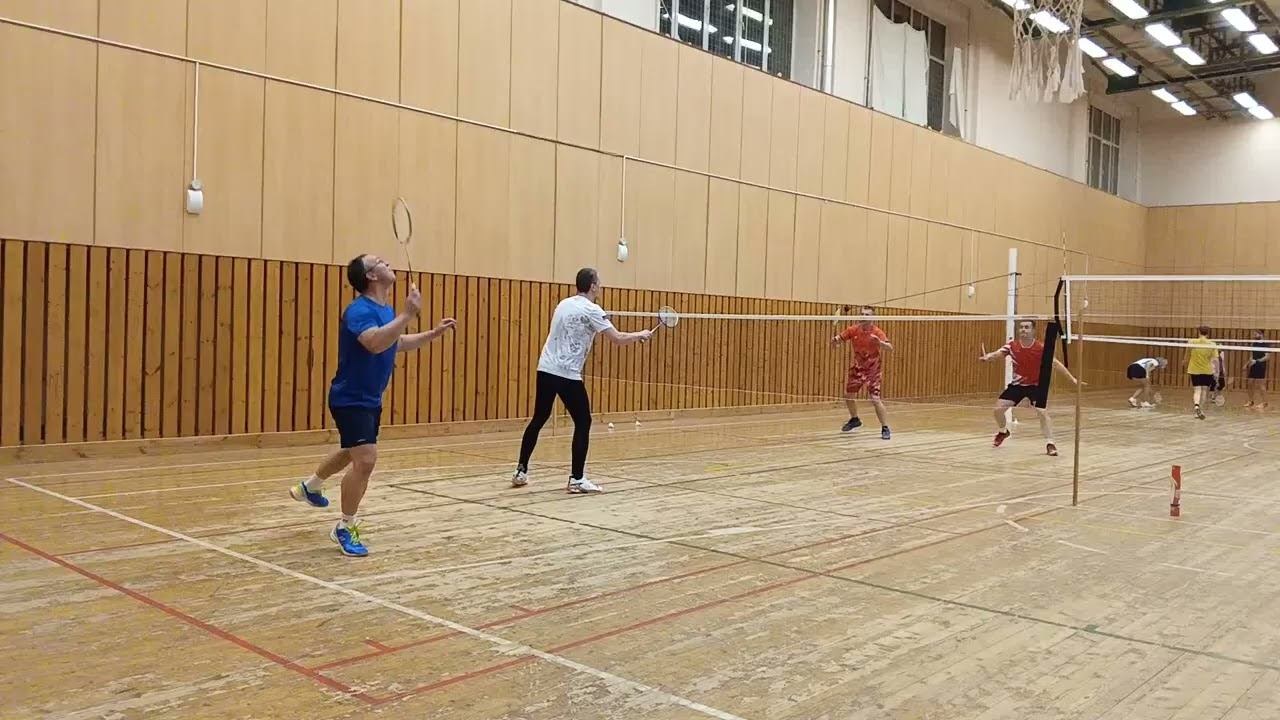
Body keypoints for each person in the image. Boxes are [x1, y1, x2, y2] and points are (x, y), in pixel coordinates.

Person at [289, 254, 455, 557]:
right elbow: (375, 342)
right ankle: (345, 526)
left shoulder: (384, 309)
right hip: (350, 398)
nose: (387, 262)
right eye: (379, 262)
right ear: (371, 276)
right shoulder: (359, 311)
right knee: (365, 459)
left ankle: (311, 486)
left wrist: (432, 333)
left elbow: (394, 343)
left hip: (370, 398)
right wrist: (407, 315)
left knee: (352, 450)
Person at [511, 268, 652, 493]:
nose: (600, 286)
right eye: (599, 283)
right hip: (567, 374)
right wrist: (640, 335)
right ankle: (577, 479)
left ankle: (521, 471)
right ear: (593, 286)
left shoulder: (563, 304)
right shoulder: (593, 309)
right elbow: (618, 338)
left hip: (545, 368)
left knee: (539, 418)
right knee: (583, 421)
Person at [979, 319, 1081, 456]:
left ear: (1033, 331)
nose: (1023, 330)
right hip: (1017, 385)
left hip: (1035, 386)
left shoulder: (1041, 348)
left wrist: (1072, 379)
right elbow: (997, 354)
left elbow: (1056, 364)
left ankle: (1050, 443)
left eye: (1027, 327)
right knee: (997, 410)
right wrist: (988, 357)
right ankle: (1003, 431)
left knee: (1042, 412)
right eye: (1021, 327)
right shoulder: (1012, 346)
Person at [830, 306, 894, 440]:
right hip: (858, 368)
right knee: (848, 395)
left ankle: (885, 427)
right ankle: (855, 419)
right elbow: (837, 344)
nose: (863, 316)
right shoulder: (853, 330)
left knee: (875, 399)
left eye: (867, 314)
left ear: (872, 318)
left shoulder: (877, 332)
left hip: (873, 369)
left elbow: (890, 348)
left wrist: (880, 343)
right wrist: (834, 342)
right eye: (862, 314)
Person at [1185, 325, 1219, 420]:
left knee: (1197, 390)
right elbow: (1215, 359)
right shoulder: (1212, 344)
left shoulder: (1191, 342)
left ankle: (1196, 406)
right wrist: (1216, 371)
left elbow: (1187, 354)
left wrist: (1185, 361)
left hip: (1194, 369)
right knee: (1204, 390)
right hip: (1207, 370)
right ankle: (1201, 410)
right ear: (1208, 333)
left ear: (1199, 332)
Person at [1246, 329, 1269, 410]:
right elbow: (1252, 356)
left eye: (1256, 334)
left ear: (1261, 334)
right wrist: (1246, 364)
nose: (1254, 335)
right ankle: (1250, 401)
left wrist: (1256, 361)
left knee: (1261, 385)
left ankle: (1264, 403)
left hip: (1260, 366)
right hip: (1253, 365)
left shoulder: (1265, 344)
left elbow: (1267, 357)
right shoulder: (1254, 343)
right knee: (1250, 383)